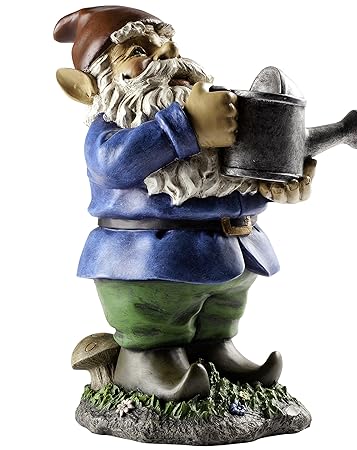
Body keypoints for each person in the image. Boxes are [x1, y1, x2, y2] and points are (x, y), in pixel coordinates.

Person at [54, 5, 316, 401]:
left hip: (231, 251)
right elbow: (114, 165)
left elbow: (236, 173)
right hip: (145, 259)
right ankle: (147, 362)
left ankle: (215, 350)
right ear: (93, 85)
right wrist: (185, 127)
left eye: (169, 47)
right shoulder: (112, 130)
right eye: (139, 51)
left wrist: (272, 185)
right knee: (154, 320)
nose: (168, 57)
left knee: (221, 314)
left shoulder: (221, 119)